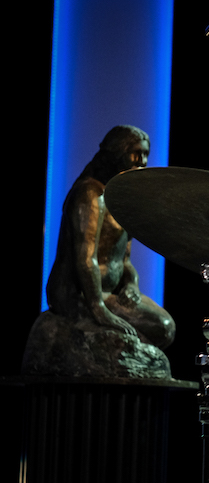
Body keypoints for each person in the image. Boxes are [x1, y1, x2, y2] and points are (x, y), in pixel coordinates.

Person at [46, 124, 175, 349]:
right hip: (79, 295)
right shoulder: (90, 194)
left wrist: (131, 285)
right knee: (162, 328)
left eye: (146, 154)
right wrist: (98, 308)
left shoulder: (121, 200)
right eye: (135, 153)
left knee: (166, 327)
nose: (142, 161)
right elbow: (86, 259)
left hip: (109, 293)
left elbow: (124, 261)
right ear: (116, 152)